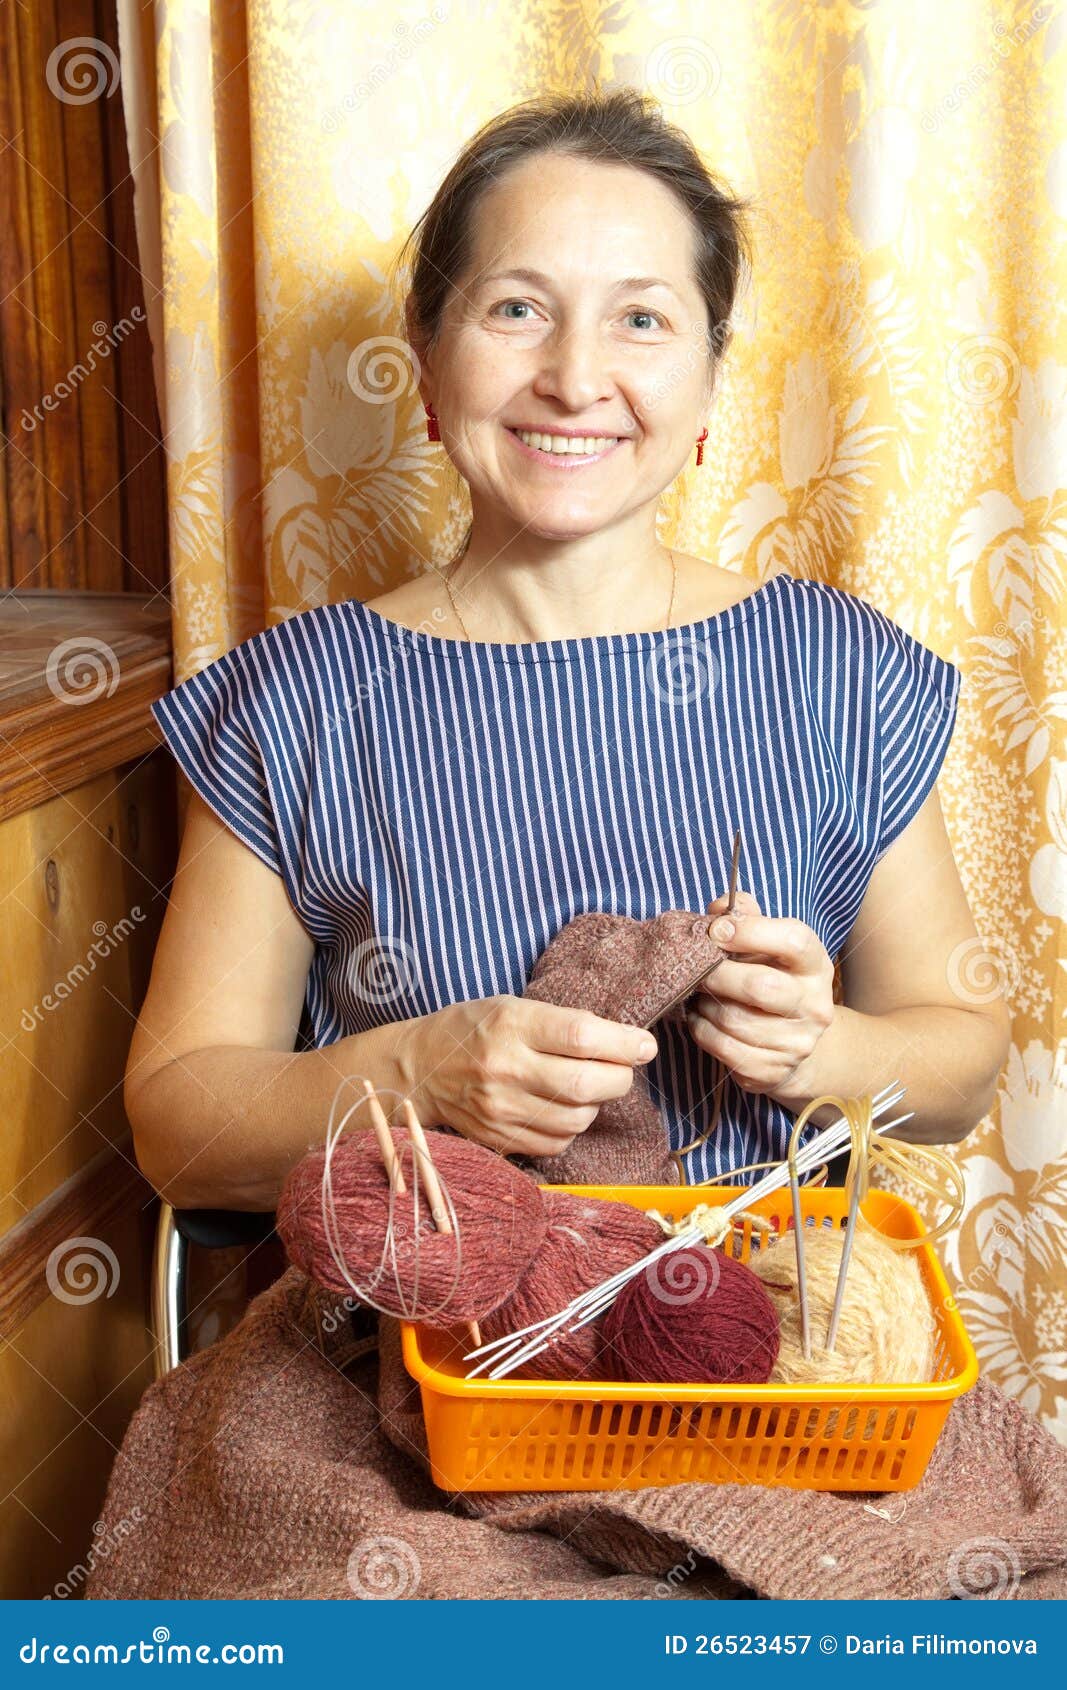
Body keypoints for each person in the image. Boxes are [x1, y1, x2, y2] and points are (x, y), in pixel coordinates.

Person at [125, 89, 1010, 1216]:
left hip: (765, 1356)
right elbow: (178, 1128)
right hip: (426, 1349)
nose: (575, 377)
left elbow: (963, 1059)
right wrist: (413, 1072)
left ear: (707, 383)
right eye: (514, 309)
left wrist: (819, 1051)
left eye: (640, 320)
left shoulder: (837, 668)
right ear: (428, 360)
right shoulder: (295, 701)